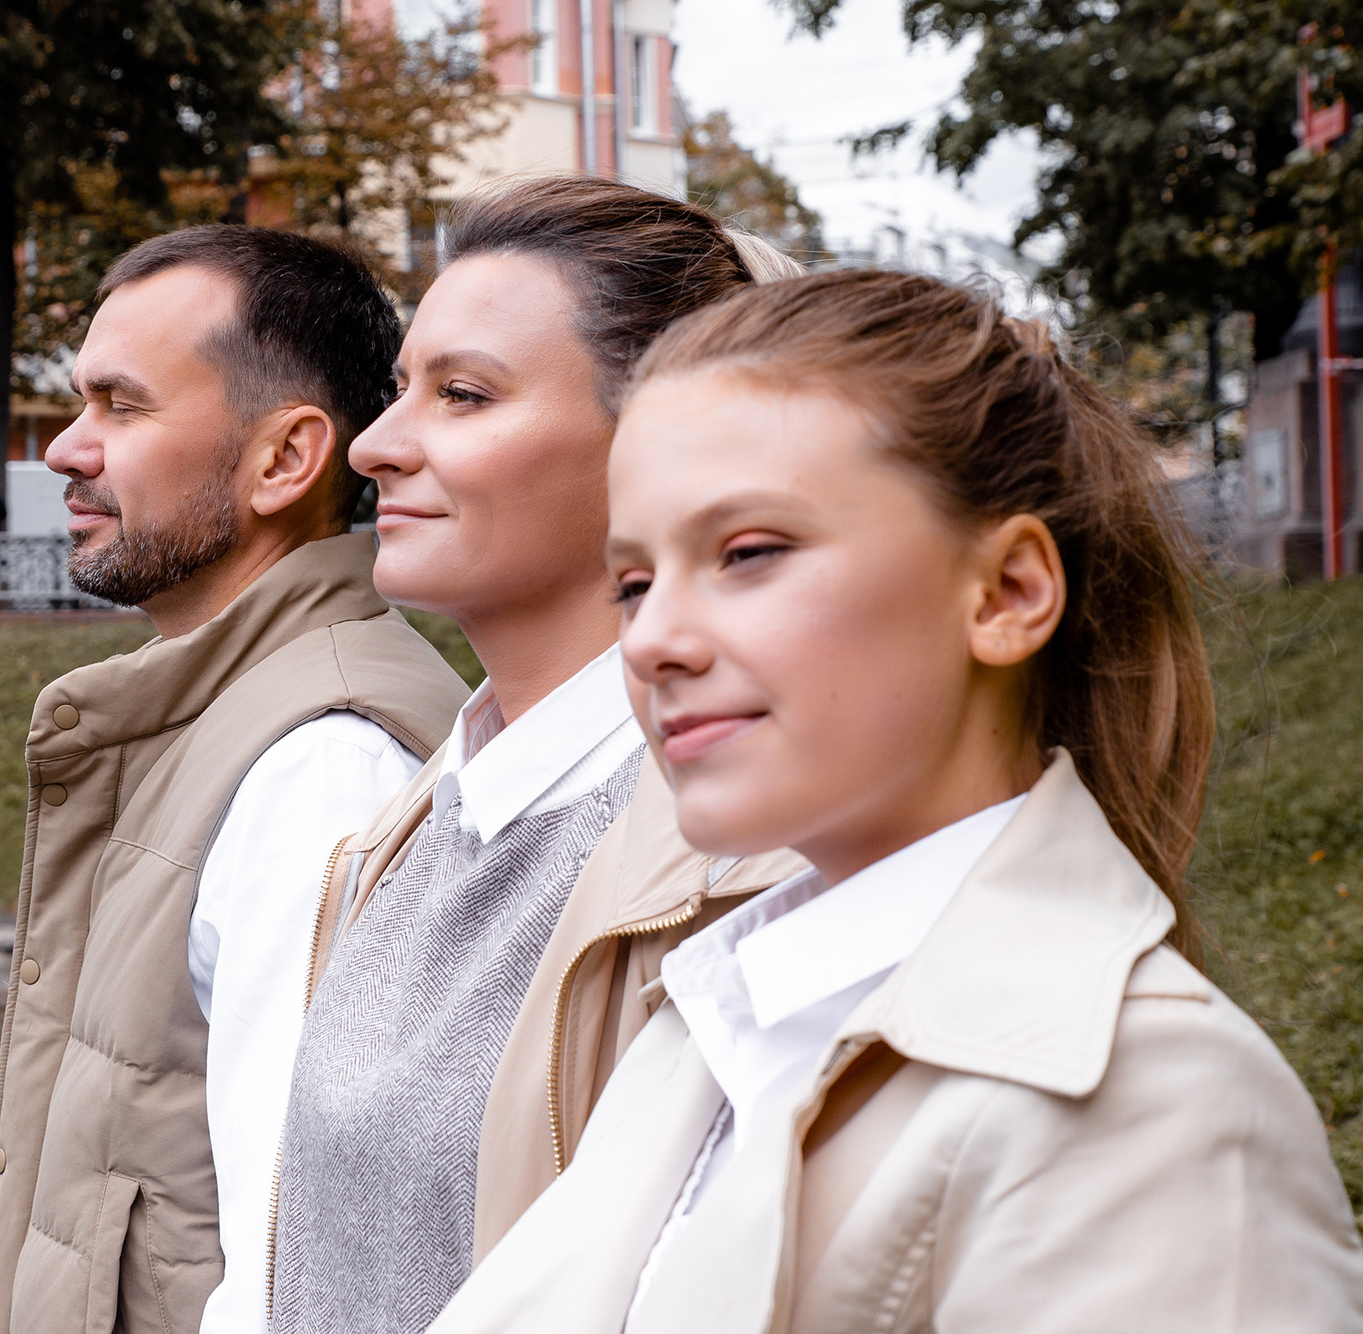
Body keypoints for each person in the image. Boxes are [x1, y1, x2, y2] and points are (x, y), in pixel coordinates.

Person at [429, 269, 1363, 1334]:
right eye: (633, 582)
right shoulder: (714, 1015)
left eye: (747, 552)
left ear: (1007, 592)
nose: (648, 640)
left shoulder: (1159, 1104)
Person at [266, 178, 808, 1334]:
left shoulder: (723, 867)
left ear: (653, 444)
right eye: (397, 390)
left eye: (461, 395)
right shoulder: (405, 828)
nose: (373, 446)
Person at [0, 225, 471, 1334]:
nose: (64, 447)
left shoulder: (322, 767)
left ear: (285, 460)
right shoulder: (215, 720)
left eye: (122, 405)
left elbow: (315, 1273)